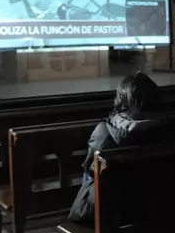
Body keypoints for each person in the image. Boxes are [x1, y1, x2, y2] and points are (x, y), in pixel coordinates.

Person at [68, 72, 168, 224]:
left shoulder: (104, 132)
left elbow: (90, 168)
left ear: (121, 100)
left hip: (114, 211)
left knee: (93, 169)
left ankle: (83, 208)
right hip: (159, 203)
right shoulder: (168, 128)